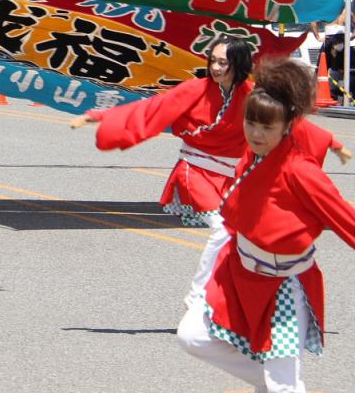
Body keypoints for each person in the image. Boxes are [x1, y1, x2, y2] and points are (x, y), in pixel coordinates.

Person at [177, 58, 355, 393]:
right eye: (250, 123)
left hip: (282, 289)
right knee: (192, 335)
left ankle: (273, 383)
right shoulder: (252, 154)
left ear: (288, 126)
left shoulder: (301, 172)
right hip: (238, 276)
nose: (256, 134)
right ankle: (267, 380)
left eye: (266, 127)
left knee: (285, 389)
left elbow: (350, 221)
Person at [70, 36, 254, 306]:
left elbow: (278, 125)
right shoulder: (195, 89)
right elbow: (151, 108)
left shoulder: (250, 94)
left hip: (230, 176)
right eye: (213, 61)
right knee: (223, 231)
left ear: (239, 64)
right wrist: (100, 116)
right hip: (196, 170)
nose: (215, 68)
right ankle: (197, 296)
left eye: (223, 63)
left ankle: (231, 298)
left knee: (243, 238)